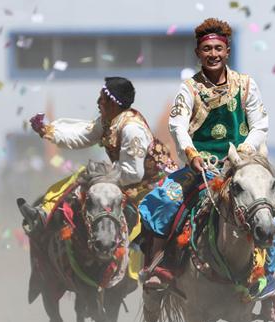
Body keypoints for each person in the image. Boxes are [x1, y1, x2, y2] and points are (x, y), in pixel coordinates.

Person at [139, 18, 275, 299]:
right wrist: (191, 153)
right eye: (207, 49)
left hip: (241, 166)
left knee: (264, 211)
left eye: (219, 48)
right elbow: (177, 125)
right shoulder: (189, 89)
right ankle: (162, 266)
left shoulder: (246, 85)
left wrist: (244, 153)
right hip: (202, 167)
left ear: (227, 51)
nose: (213, 54)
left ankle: (266, 275)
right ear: (198, 53)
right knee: (164, 200)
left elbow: (260, 124)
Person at [21, 76, 176, 246]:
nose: (98, 102)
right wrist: (50, 132)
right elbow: (82, 136)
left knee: (137, 231)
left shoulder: (132, 129)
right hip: (128, 181)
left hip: (153, 186)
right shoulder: (108, 122)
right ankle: (44, 213)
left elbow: (134, 174)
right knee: (82, 176)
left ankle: (137, 267)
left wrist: (105, 177)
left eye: (102, 98)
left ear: (113, 103)